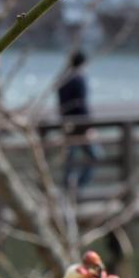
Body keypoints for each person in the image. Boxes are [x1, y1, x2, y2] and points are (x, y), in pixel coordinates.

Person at [58, 49, 98, 192]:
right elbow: (82, 105)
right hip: (79, 124)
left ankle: (67, 188)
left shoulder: (63, 79)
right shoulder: (79, 79)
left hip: (66, 123)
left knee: (70, 158)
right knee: (95, 156)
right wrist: (89, 127)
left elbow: (62, 105)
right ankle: (79, 187)